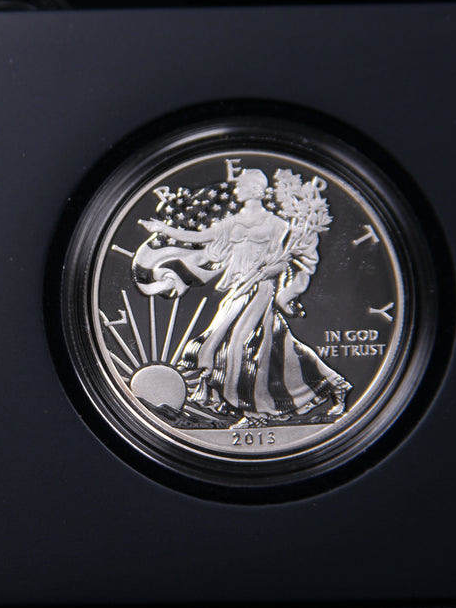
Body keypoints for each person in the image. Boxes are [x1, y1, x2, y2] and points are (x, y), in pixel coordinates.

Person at [134, 167, 349, 420]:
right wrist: (163, 228)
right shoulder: (232, 222)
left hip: (261, 289)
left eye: (241, 185)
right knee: (273, 345)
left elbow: (284, 262)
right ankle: (334, 383)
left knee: (240, 345)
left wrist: (270, 270)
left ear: (255, 189)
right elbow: (199, 236)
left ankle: (254, 412)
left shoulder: (278, 225)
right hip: (239, 288)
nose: (236, 189)